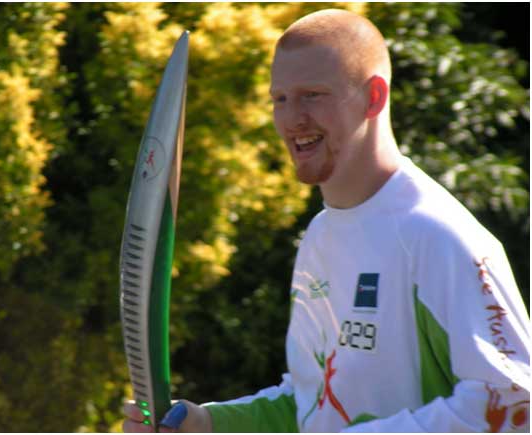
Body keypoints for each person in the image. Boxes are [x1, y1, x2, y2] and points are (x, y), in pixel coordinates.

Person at [123, 9, 530, 433]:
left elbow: (514, 405)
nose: (292, 118)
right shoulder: (319, 238)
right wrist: (206, 422)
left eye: (312, 95)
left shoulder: (437, 236)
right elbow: (314, 403)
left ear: (374, 96)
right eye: (280, 99)